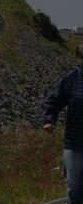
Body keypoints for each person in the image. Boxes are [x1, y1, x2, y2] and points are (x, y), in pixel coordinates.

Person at [43, 44, 83, 204]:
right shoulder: (72, 78)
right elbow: (54, 100)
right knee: (74, 189)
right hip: (74, 144)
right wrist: (48, 120)